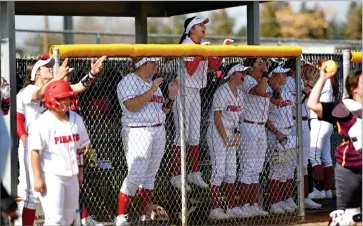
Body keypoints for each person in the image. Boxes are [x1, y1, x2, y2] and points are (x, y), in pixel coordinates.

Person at [17, 55, 106, 226]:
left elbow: (77, 88)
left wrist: (92, 74)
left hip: (53, 147)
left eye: (51, 66)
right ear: (36, 74)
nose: (50, 68)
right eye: (46, 67)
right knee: (29, 195)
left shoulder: (54, 88)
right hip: (32, 147)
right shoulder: (28, 90)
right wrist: (57, 78)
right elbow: (38, 94)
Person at [170, 16, 233, 191]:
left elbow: (214, 65)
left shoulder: (200, 46)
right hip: (183, 90)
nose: (203, 27)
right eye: (199, 25)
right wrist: (200, 51)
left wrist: (223, 49)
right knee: (181, 135)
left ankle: (194, 172)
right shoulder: (187, 45)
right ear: (191, 29)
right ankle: (177, 175)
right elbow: (190, 71)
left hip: (195, 92)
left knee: (194, 135)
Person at [115, 57, 179, 225]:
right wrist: (151, 89)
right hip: (138, 130)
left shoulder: (153, 84)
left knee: (150, 175)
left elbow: (162, 110)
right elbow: (131, 105)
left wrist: (171, 97)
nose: (156, 65)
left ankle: (144, 214)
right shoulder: (128, 81)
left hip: (158, 129)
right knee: (136, 174)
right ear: (143, 64)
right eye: (153, 63)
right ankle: (121, 217)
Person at [29, 80, 91, 225]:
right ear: (51, 100)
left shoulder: (77, 119)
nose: (66, 101)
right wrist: (37, 177)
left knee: (70, 218)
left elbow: (81, 148)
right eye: (61, 98)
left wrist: (81, 170)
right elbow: (35, 151)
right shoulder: (44, 122)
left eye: (68, 97)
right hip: (52, 176)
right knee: (55, 219)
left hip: (72, 175)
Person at [307, 66, 362, 226]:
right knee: (350, 217)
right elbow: (313, 104)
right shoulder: (344, 108)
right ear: (354, 89)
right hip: (351, 166)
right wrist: (323, 78)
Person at [207, 63, 248, 220]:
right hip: (217, 133)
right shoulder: (221, 91)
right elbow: (217, 118)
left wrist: (236, 135)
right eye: (240, 72)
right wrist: (225, 138)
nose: (243, 75)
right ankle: (215, 209)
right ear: (231, 75)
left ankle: (230, 208)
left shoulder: (240, 93)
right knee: (219, 171)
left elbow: (239, 118)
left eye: (244, 72)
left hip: (231, 133)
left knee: (231, 171)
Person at [282, 60, 322, 209]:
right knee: (290, 163)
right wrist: (308, 88)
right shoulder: (288, 81)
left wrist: (311, 85)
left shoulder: (301, 81)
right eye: (300, 66)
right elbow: (294, 102)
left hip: (305, 123)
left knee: (304, 163)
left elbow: (312, 101)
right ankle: (289, 198)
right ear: (293, 69)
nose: (304, 68)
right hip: (292, 123)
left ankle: (303, 197)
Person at [237, 58, 270, 217]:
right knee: (247, 168)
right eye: (258, 63)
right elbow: (259, 91)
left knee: (256, 169)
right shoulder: (248, 79)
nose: (262, 66)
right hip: (248, 126)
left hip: (261, 127)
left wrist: (266, 76)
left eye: (263, 63)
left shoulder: (264, 80)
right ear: (250, 67)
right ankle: (244, 205)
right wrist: (266, 73)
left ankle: (253, 204)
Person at [265, 66, 299, 214]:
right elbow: (264, 117)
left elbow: (292, 110)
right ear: (274, 75)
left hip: (289, 132)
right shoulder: (267, 91)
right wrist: (277, 132)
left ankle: (287, 198)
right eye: (282, 73)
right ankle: (275, 202)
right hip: (276, 134)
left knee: (288, 169)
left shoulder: (285, 91)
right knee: (276, 170)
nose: (285, 75)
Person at [308, 59, 339, 200]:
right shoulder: (331, 82)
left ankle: (319, 189)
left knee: (313, 156)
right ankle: (326, 190)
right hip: (326, 123)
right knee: (326, 158)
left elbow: (311, 97)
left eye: (319, 66)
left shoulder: (325, 81)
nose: (316, 68)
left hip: (319, 121)